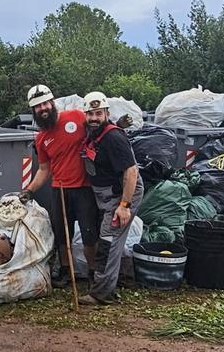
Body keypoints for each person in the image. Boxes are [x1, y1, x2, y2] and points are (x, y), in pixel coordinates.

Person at [18, 84, 99, 288]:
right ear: (34, 111)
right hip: (60, 190)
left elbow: (98, 129)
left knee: (90, 234)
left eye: (45, 103)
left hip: (84, 188)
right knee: (62, 235)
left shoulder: (75, 117)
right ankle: (65, 271)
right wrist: (29, 190)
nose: (43, 108)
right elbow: (44, 169)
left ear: (52, 103)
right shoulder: (42, 138)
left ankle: (93, 273)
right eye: (38, 106)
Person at [77, 91, 143, 306]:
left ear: (106, 113)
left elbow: (131, 172)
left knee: (108, 241)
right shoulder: (94, 134)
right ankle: (122, 277)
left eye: (98, 113)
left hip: (121, 194)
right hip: (104, 195)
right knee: (112, 240)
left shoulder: (113, 138)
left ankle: (102, 294)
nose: (94, 118)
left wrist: (124, 206)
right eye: (90, 114)